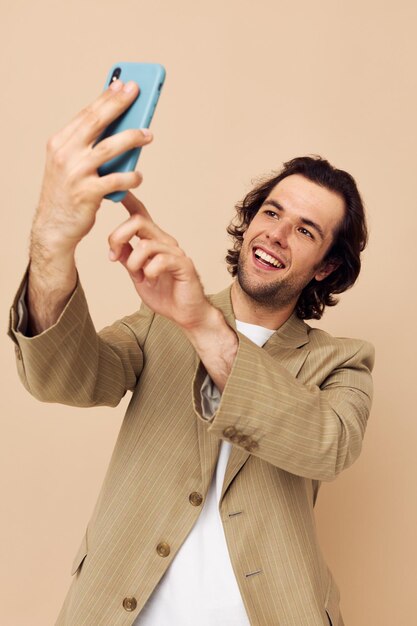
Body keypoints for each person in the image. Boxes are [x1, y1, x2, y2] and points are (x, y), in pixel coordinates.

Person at [9, 79, 374, 626]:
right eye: (271, 214)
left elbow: (327, 444)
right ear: (251, 221)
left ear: (325, 266)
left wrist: (202, 321)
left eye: (305, 230)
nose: (276, 234)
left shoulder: (343, 360)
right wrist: (52, 243)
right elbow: (66, 378)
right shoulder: (158, 324)